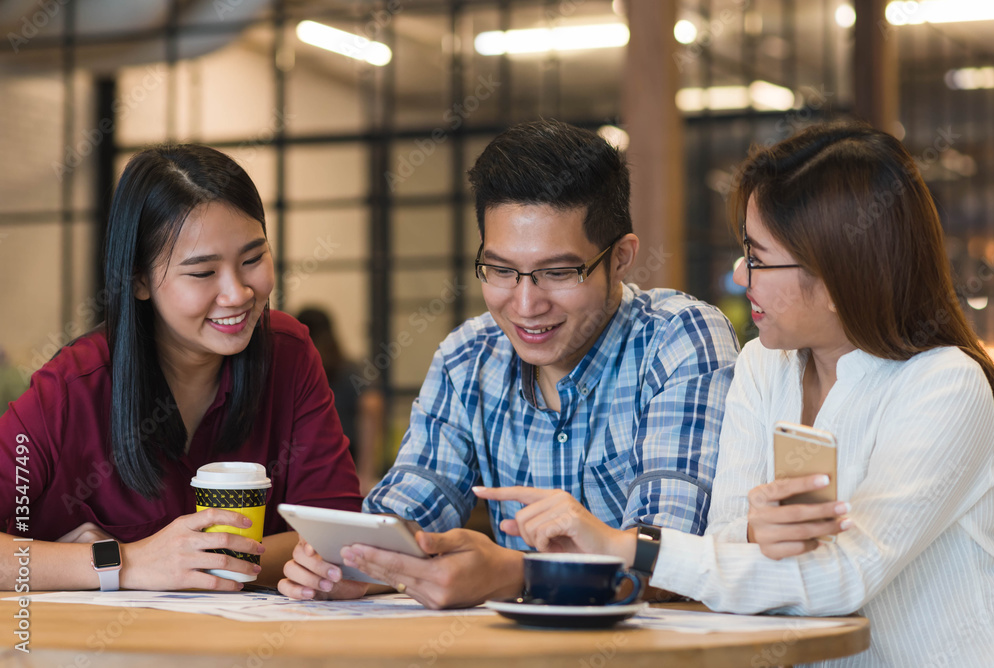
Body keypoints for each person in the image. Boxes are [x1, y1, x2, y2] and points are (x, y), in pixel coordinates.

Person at [479, 122, 994, 667]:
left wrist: (624, 547)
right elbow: (721, 536)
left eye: (758, 258)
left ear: (839, 274)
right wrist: (752, 531)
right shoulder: (763, 366)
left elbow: (842, 578)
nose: (738, 274)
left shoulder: (944, 385)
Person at [278, 119, 741, 608]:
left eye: (558, 272)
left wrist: (517, 575)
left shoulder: (678, 339)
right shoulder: (467, 357)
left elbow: (669, 559)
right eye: (500, 270)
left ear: (622, 258)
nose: (524, 304)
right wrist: (355, 563)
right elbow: (412, 503)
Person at [0, 145, 362, 591]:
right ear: (138, 280)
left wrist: (192, 565)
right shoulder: (72, 388)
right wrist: (123, 563)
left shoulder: (288, 354)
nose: (237, 293)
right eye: (202, 272)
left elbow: (341, 538)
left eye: (252, 259)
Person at [296, 307, 385, 493]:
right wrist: (365, 472)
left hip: (305, 459)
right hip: (344, 459)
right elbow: (373, 406)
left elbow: (372, 405)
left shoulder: (298, 367)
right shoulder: (349, 367)